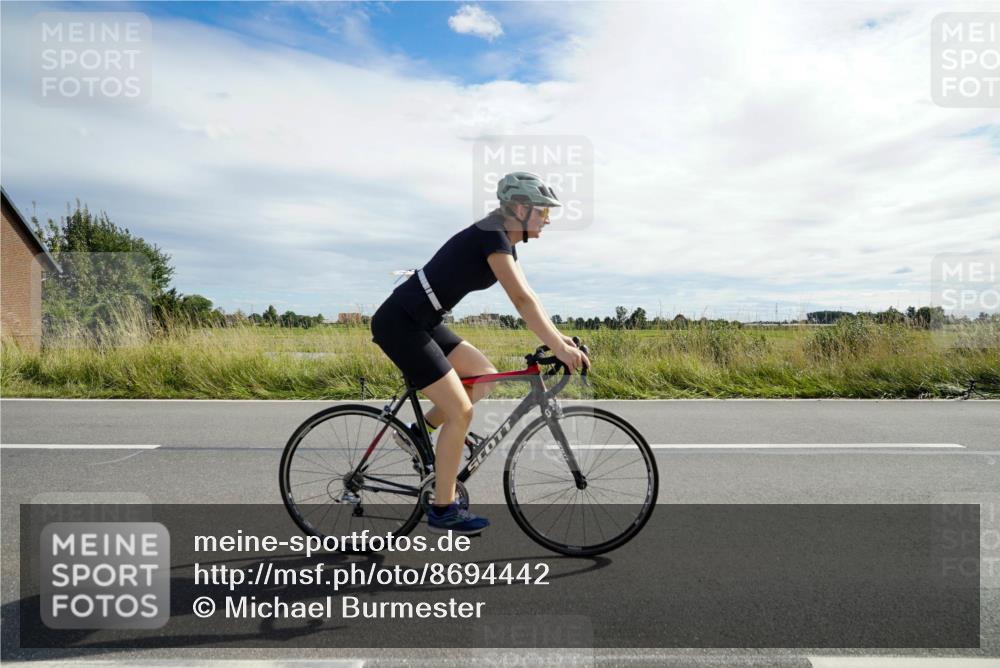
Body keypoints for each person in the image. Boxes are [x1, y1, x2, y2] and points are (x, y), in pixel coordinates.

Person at [370, 172, 590, 536]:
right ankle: (443, 509)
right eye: (543, 212)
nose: (548, 220)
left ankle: (418, 432)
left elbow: (530, 296)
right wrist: (558, 347)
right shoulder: (492, 234)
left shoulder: (503, 240)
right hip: (401, 323)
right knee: (461, 412)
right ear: (519, 208)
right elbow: (520, 300)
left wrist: (561, 339)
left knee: (484, 376)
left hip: (423, 320)